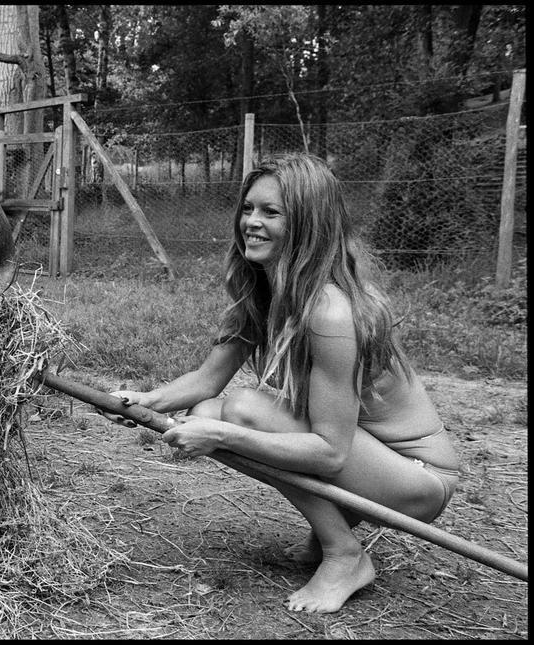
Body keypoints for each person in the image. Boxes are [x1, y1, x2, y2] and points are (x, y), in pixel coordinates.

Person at [100, 153, 460, 614]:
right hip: (369, 459)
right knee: (207, 410)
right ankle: (335, 529)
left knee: (240, 411)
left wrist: (223, 436)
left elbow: (330, 452)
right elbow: (208, 380)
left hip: (417, 478)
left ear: (308, 225)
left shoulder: (330, 312)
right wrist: (142, 400)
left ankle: (344, 554)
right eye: (249, 208)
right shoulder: (267, 290)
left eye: (271, 212)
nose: (251, 222)